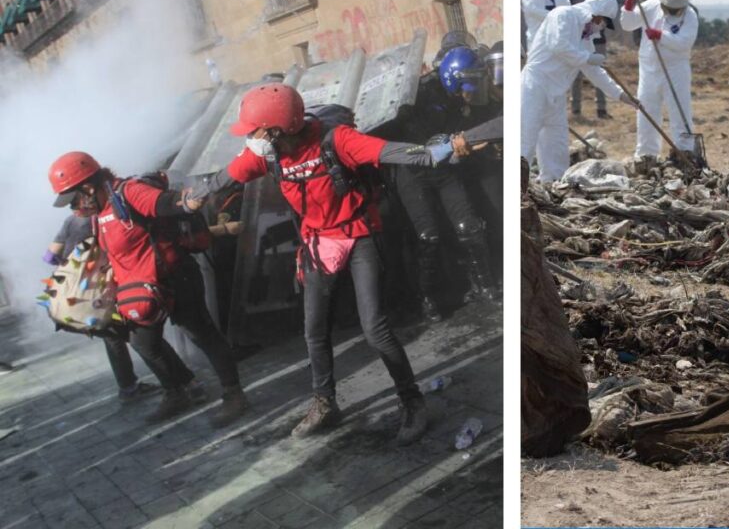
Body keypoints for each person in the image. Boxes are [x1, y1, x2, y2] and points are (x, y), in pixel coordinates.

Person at [185, 83, 459, 441]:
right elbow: (228, 176)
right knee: (314, 331)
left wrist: (442, 150)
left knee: (375, 328)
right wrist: (194, 198)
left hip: (360, 234)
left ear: (277, 128)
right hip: (318, 243)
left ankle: (412, 402)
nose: (249, 139)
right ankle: (325, 403)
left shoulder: (336, 140)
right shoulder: (266, 154)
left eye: (254, 132)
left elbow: (390, 152)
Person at [47, 153, 249, 426]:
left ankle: (234, 395)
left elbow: (162, 203)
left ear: (88, 188)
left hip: (176, 277)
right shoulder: (100, 214)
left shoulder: (129, 192)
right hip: (138, 289)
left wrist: (187, 201)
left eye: (73, 200)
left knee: (201, 334)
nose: (74, 209)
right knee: (143, 342)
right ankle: (177, 391)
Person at [392, 46, 501, 322]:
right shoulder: (419, 97)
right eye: (470, 84)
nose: (473, 90)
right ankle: (426, 296)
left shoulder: (458, 100)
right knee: (428, 236)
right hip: (414, 172)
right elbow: (409, 140)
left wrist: (467, 146)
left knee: (470, 227)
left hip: (443, 170)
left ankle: (486, 286)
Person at [522, 0, 638, 183]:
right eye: (602, 21)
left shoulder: (586, 39)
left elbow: (595, 72)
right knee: (525, 141)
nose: (601, 27)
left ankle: (553, 185)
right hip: (535, 86)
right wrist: (587, 58)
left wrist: (621, 95)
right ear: (596, 13)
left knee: (556, 146)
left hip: (557, 94)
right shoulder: (563, 15)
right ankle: (517, 191)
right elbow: (558, 45)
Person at [44, 214, 160, 403]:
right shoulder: (102, 218)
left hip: (76, 301)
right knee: (139, 336)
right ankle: (176, 382)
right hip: (102, 292)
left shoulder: (71, 220)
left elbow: (49, 256)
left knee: (111, 336)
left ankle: (128, 387)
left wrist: (74, 269)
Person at [620, 0, 699, 163]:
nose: (671, 10)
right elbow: (628, 24)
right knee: (646, 109)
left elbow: (684, 43)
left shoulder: (690, 15)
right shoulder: (651, 6)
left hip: (676, 68)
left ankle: (684, 151)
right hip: (649, 67)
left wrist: (661, 36)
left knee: (679, 110)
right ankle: (647, 154)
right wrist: (628, 6)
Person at [570, 0, 614, 120]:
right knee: (576, 76)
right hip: (579, 42)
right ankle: (576, 110)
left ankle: (601, 109)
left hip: (598, 42)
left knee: (600, 73)